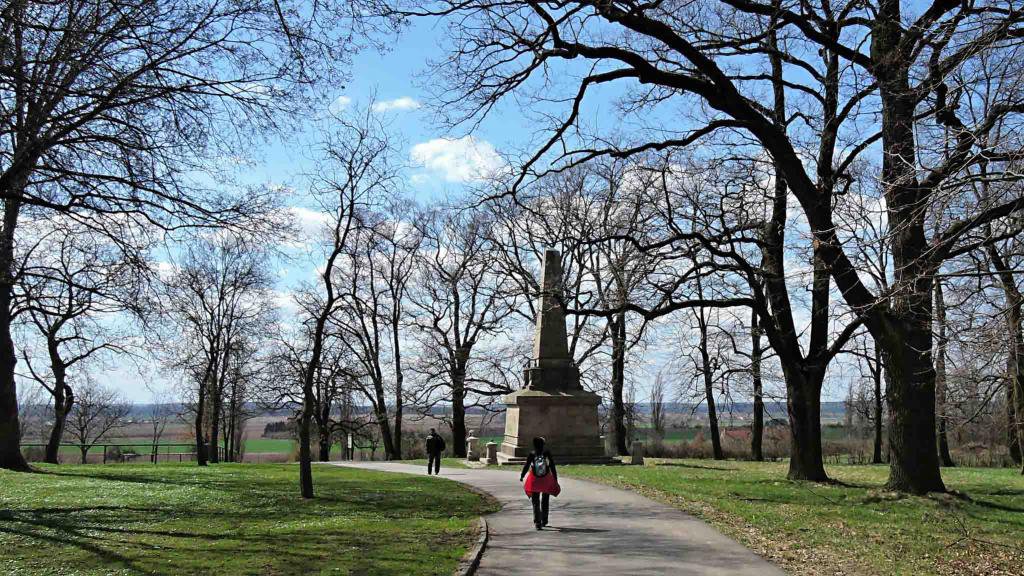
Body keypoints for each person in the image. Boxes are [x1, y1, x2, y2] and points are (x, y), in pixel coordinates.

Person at [520, 436, 560, 530]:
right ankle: (544, 520)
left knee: (535, 501)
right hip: (546, 479)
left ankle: (537, 523)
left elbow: (527, 465)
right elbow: (552, 466)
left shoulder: (532, 454)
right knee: (545, 500)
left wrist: (522, 475)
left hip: (535, 480)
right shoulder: (547, 453)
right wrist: (555, 478)